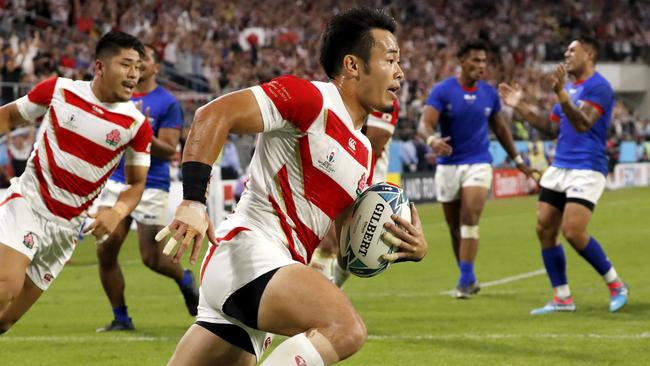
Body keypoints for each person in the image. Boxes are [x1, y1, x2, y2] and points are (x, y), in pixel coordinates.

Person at [156, 8, 428, 366]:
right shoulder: (310, 99)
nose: (399, 72)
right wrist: (193, 201)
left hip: (268, 275)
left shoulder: (362, 151)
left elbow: (346, 248)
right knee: (345, 329)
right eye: (390, 59)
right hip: (250, 254)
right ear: (352, 65)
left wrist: (401, 242)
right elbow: (213, 114)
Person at [0, 31, 152, 334]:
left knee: (5, 321)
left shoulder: (137, 125)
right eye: (126, 65)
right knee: (4, 289)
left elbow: (136, 185)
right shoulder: (58, 91)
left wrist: (117, 212)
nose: (134, 74)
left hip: (66, 232)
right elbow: (7, 117)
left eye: (138, 67)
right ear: (100, 67)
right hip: (27, 205)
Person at [499, 36, 629, 314]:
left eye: (573, 50)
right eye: (566, 50)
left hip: (587, 167)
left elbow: (583, 124)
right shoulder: (569, 87)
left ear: (590, 54)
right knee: (544, 227)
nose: (566, 54)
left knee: (573, 231)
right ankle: (562, 297)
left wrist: (560, 94)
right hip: (561, 166)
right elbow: (551, 128)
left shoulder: (600, 87)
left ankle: (616, 283)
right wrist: (519, 106)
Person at [94, 44, 197, 332]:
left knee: (152, 258)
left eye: (145, 60)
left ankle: (185, 279)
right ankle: (121, 317)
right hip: (116, 181)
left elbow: (168, 150)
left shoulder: (167, 103)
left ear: (156, 68)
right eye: (135, 60)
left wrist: (138, 128)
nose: (139, 65)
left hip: (152, 185)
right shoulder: (117, 97)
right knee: (105, 248)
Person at [418, 40, 531, 299]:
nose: (481, 66)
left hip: (479, 162)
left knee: (470, 216)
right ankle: (468, 275)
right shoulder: (443, 91)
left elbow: (501, 128)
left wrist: (518, 159)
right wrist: (432, 140)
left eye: (484, 61)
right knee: (454, 225)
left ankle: (464, 280)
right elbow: (425, 124)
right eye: (476, 61)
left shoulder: (489, 93)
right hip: (448, 166)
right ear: (462, 61)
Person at [310, 98, 400, 286]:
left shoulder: (384, 97)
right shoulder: (337, 93)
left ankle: (331, 289)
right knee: (327, 244)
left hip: (367, 183)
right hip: (336, 170)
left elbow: (375, 143)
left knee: (343, 251)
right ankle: (321, 297)